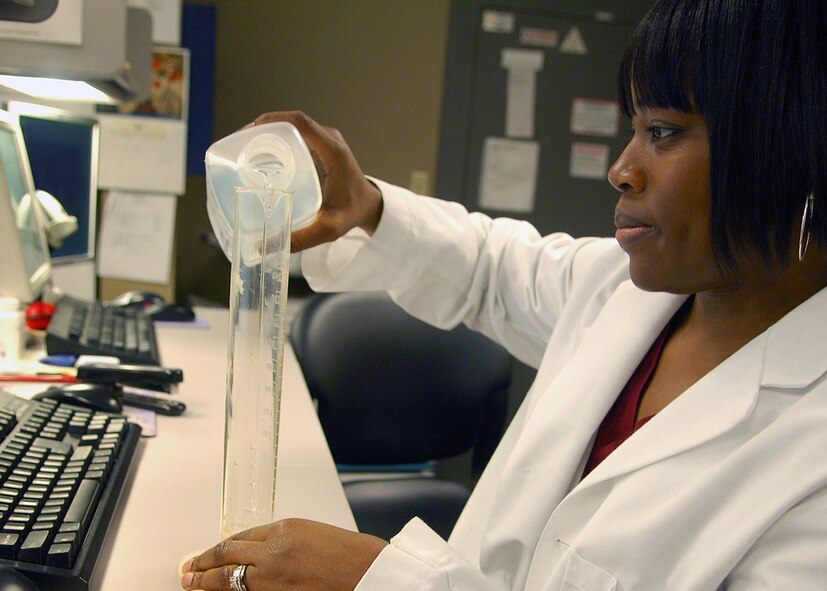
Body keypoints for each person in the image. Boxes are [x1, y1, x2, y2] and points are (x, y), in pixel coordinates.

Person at [181, 0, 827, 589]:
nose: (622, 169)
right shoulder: (619, 290)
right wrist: (366, 206)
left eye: (662, 132)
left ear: (791, 142)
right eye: (633, 129)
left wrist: (382, 581)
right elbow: (488, 267)